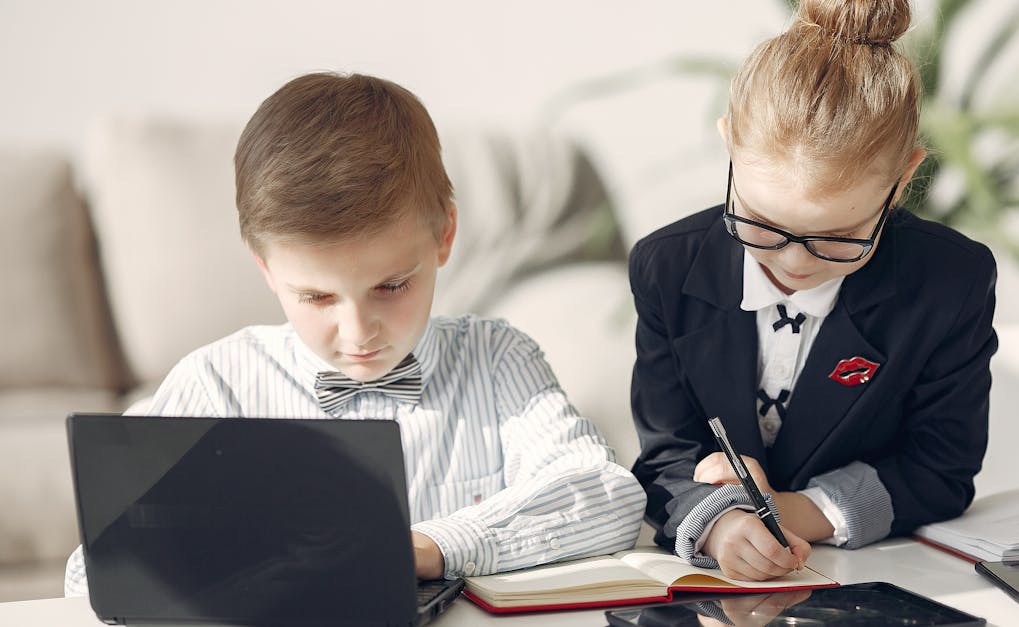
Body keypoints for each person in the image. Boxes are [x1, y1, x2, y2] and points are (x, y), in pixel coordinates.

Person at [64, 72, 646, 596]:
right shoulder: (218, 383)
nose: (357, 330)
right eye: (317, 297)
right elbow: (93, 569)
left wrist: (433, 546)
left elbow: (605, 496)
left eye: (391, 286)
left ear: (444, 235)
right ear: (265, 267)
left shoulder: (497, 360)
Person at [628, 0, 997, 582]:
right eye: (761, 223)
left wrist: (798, 511)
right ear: (729, 145)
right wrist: (719, 524)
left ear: (903, 179)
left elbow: (939, 469)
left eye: (839, 237)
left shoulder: (950, 283)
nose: (794, 260)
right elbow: (664, 456)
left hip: (884, 577)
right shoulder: (667, 267)